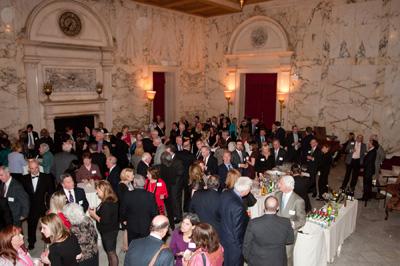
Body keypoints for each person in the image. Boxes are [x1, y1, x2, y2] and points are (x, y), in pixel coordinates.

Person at [243, 196, 294, 266]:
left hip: (258, 261)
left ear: (264, 207)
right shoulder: (286, 222)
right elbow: (290, 240)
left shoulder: (254, 223)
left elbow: (246, 245)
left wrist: (249, 259)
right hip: (279, 261)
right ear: (278, 208)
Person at [20, 160, 54, 249]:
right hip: (31, 207)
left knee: (49, 225)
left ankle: (52, 241)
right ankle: (31, 242)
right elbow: (22, 195)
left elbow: (51, 194)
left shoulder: (47, 177)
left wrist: (51, 207)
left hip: (44, 206)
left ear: (38, 167)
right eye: (32, 169)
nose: (34, 171)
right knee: (31, 226)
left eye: (36, 168)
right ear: (28, 169)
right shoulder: (24, 179)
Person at [219, 176, 252, 266]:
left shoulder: (225, 193)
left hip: (223, 235)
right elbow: (238, 232)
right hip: (233, 244)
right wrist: (241, 248)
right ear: (246, 190)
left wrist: (244, 215)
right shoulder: (239, 207)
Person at [275, 175, 306, 266]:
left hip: (289, 234)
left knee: (287, 257)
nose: (278, 184)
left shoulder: (298, 201)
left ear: (287, 186)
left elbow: (302, 220)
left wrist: (292, 224)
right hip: (276, 232)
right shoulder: (277, 195)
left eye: (280, 183)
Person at [120, 174, 158, 244]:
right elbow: (154, 213)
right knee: (145, 246)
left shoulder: (127, 195)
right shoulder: (150, 195)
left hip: (132, 226)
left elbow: (122, 211)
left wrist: (123, 221)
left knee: (133, 246)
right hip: (146, 226)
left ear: (134, 184)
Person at [88, 180, 119, 266]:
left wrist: (94, 215)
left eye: (98, 190)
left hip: (108, 232)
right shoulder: (110, 199)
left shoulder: (107, 204)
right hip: (111, 230)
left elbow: (104, 221)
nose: (96, 192)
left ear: (103, 190)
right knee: (110, 251)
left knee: (111, 253)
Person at [118, 168, 135, 251]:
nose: (133, 176)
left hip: (130, 210)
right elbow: (123, 203)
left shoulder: (129, 183)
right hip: (125, 212)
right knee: (127, 229)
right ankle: (126, 246)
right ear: (126, 176)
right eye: (132, 175)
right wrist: (124, 218)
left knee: (127, 229)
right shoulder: (122, 186)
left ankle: (125, 246)